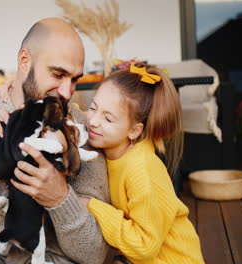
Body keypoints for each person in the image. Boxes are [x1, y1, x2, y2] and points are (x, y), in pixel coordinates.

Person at [0, 17, 110, 264]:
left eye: (74, 79)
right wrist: (0, 151)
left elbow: (93, 253)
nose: (66, 92)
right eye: (58, 74)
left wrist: (59, 197)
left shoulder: (80, 127)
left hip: (55, 256)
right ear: (25, 61)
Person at [81, 63, 204, 263]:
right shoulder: (113, 145)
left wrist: (91, 206)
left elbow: (144, 246)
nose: (93, 121)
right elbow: (74, 112)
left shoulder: (142, 171)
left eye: (108, 118)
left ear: (134, 131)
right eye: (93, 107)